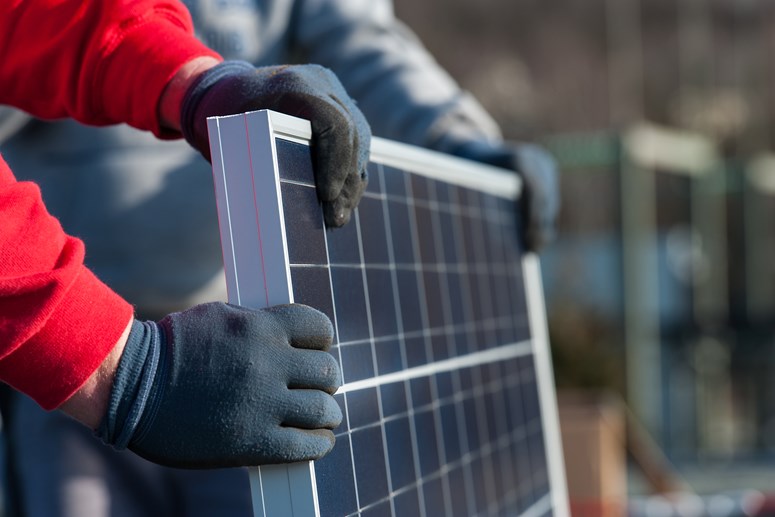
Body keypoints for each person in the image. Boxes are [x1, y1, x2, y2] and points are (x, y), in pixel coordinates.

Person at [1, 0, 559, 515]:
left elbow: (364, 40)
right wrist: (124, 367)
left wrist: (455, 141)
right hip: (58, 364)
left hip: (241, 355)